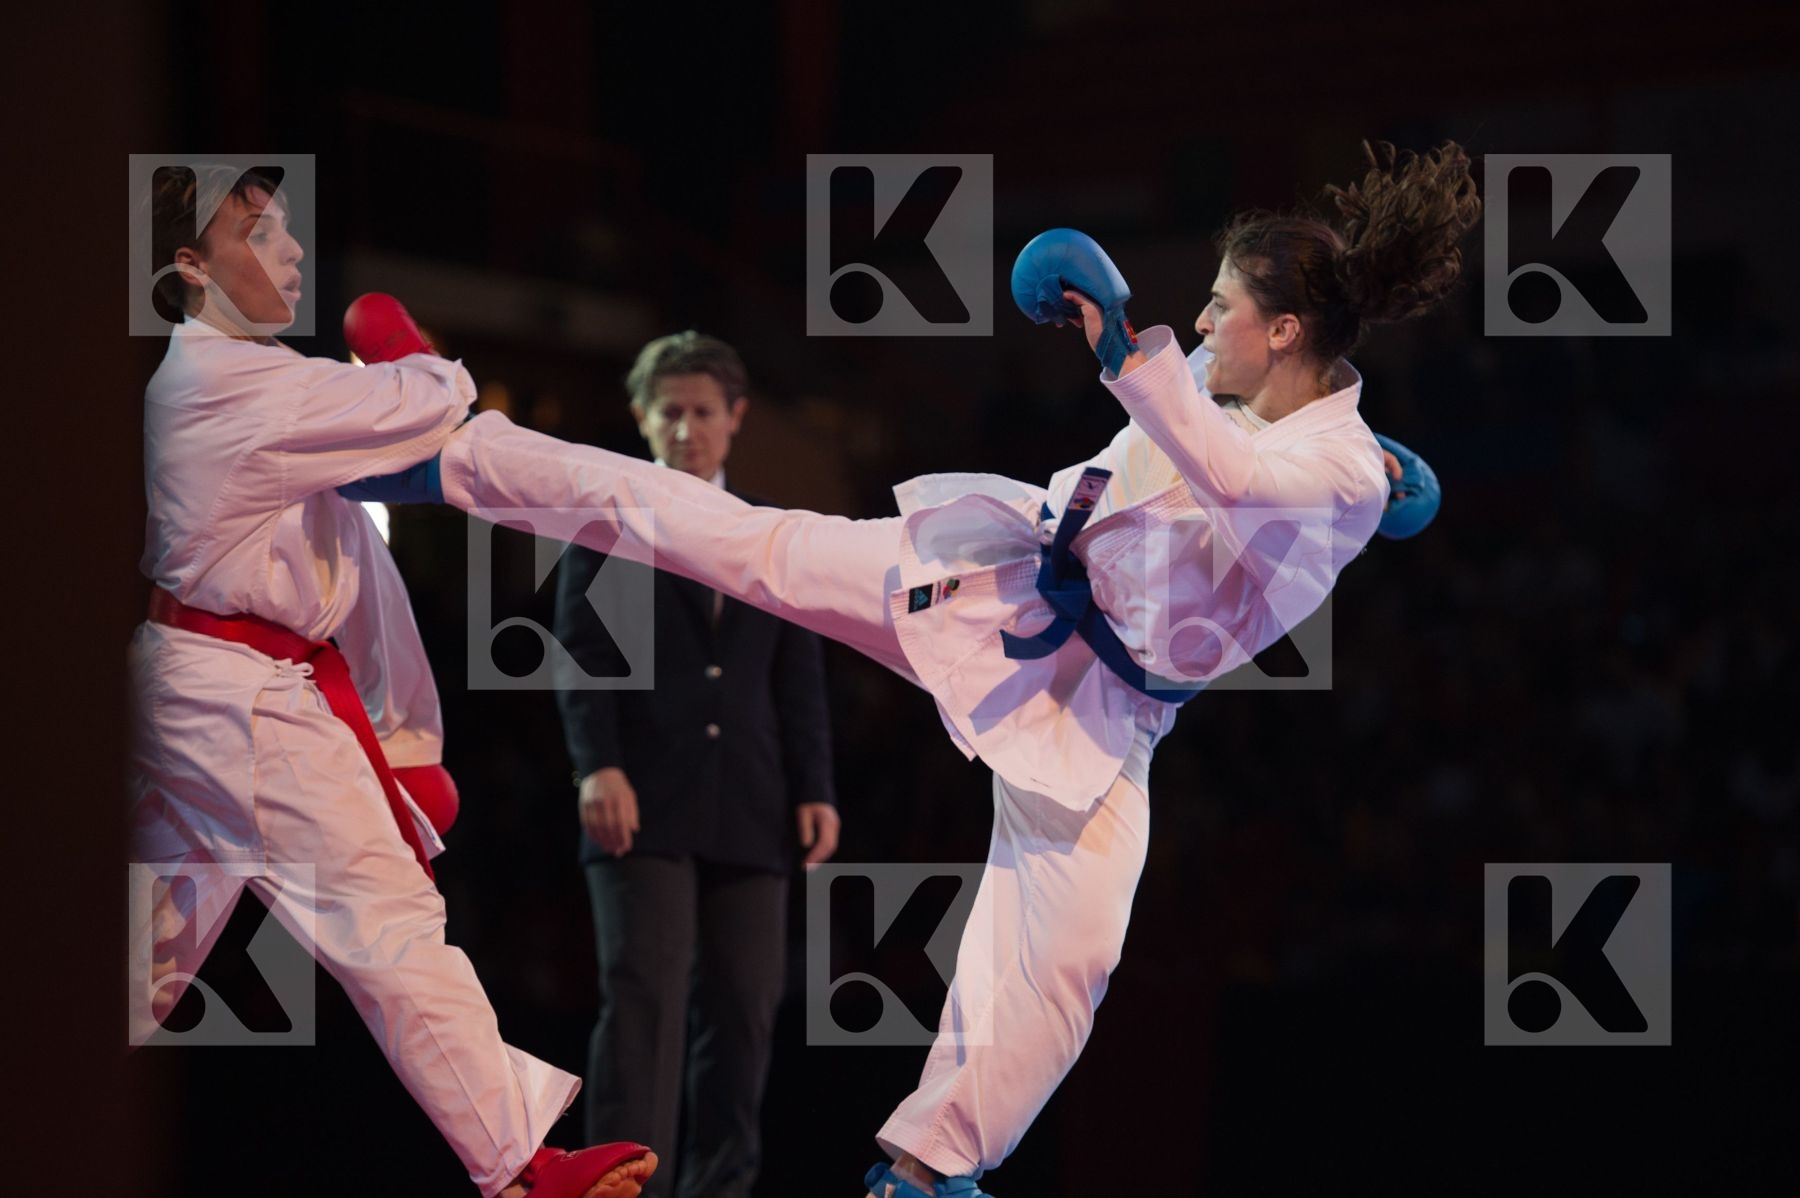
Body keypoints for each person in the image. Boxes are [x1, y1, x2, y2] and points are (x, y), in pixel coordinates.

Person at [356, 138, 1477, 1196]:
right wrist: (1359, 440)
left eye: (1221, 306)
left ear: (1283, 331)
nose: (1199, 321)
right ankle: (445, 445)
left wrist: (1126, 348)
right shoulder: (1285, 414)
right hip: (993, 586)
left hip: (1103, 710)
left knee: (1067, 957)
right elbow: (1246, 433)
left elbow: (1243, 478)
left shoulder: (1335, 475)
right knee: (723, 535)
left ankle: (927, 1169)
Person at [128, 164, 658, 1198]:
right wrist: (415, 354)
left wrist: (404, 736)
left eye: (287, 228)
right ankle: (520, 1166)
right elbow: (431, 401)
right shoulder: (227, 386)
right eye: (256, 234)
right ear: (191, 265)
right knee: (387, 915)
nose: (289, 251)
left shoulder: (251, 381)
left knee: (139, 943)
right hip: (242, 703)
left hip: (200, 686)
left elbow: (360, 569)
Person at [551, 331, 840, 1198]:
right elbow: (583, 657)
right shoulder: (612, 523)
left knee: (745, 1009)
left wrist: (816, 786)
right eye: (669, 412)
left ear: (736, 416)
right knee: (645, 999)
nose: (687, 429)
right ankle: (623, 1187)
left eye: (703, 411)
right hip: (642, 796)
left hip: (753, 799)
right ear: (642, 417)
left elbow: (798, 669)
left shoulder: (765, 528)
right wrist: (597, 767)